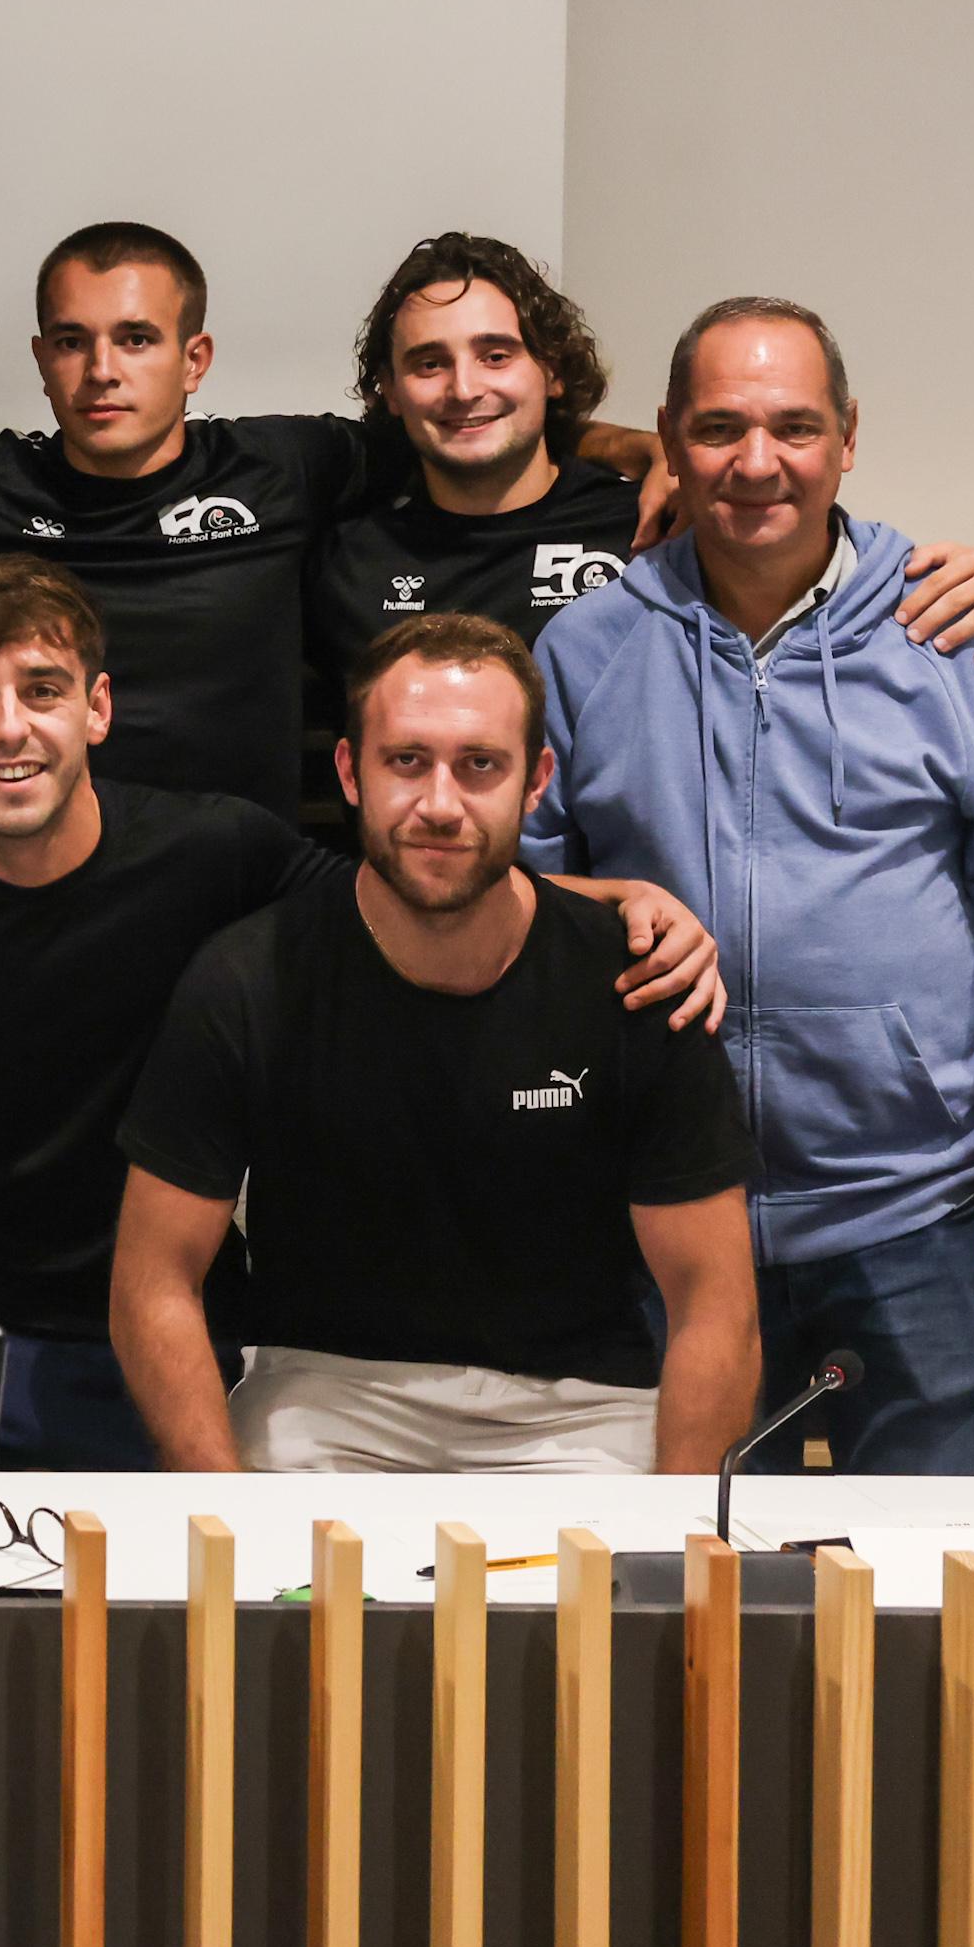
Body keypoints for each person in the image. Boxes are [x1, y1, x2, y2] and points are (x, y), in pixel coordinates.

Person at [526, 298, 974, 1474]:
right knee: (678, 1605)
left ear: (848, 435)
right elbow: (522, 900)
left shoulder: (950, 629)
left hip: (916, 1217)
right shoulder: (585, 648)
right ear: (670, 441)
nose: (756, 463)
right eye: (720, 427)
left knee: (938, 1610)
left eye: (793, 426)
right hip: (663, 1227)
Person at [0, 224, 663, 818]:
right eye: (72, 342)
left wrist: (632, 447)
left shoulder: (287, 464)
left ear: (193, 359)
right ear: (41, 360)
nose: (103, 370)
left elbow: (471, 418)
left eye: (135, 339)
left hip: (245, 891)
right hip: (41, 878)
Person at [110, 615, 765, 1473]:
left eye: (479, 765)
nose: (440, 805)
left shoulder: (633, 983)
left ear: (536, 782)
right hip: (324, 1399)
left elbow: (714, 1301)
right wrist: (228, 1525)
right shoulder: (245, 979)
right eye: (405, 761)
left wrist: (679, 1543)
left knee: (608, 1598)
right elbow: (152, 1284)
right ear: (350, 772)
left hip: (579, 1415)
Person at [0, 554, 337, 1468]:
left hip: (171, 1333)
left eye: (41, 690)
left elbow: (404, 910)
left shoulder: (213, 849)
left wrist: (615, 902)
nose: (8, 728)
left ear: (96, 708)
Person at [307, 234, 974, 695]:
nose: (465, 387)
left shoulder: (660, 514)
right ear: (390, 394)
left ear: (552, 372)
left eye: (495, 355)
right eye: (428, 364)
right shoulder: (343, 557)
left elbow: (804, 549)